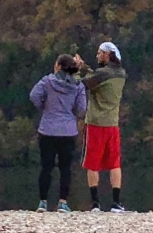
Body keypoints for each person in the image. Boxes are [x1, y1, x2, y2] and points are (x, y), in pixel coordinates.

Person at [29, 54, 87, 212]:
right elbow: (82, 108)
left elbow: (34, 96)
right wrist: (71, 112)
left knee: (46, 167)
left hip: (47, 128)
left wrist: (44, 106)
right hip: (68, 130)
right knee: (65, 168)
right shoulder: (78, 86)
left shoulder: (47, 82)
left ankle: (43, 202)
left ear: (59, 67)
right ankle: (63, 202)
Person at [78, 41, 127, 211]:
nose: (97, 55)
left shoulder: (102, 74)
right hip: (112, 124)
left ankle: (95, 203)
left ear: (107, 55)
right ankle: (116, 203)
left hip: (95, 124)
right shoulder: (121, 74)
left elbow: (84, 83)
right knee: (115, 163)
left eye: (100, 53)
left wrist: (76, 69)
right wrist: (85, 67)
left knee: (92, 164)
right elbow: (96, 76)